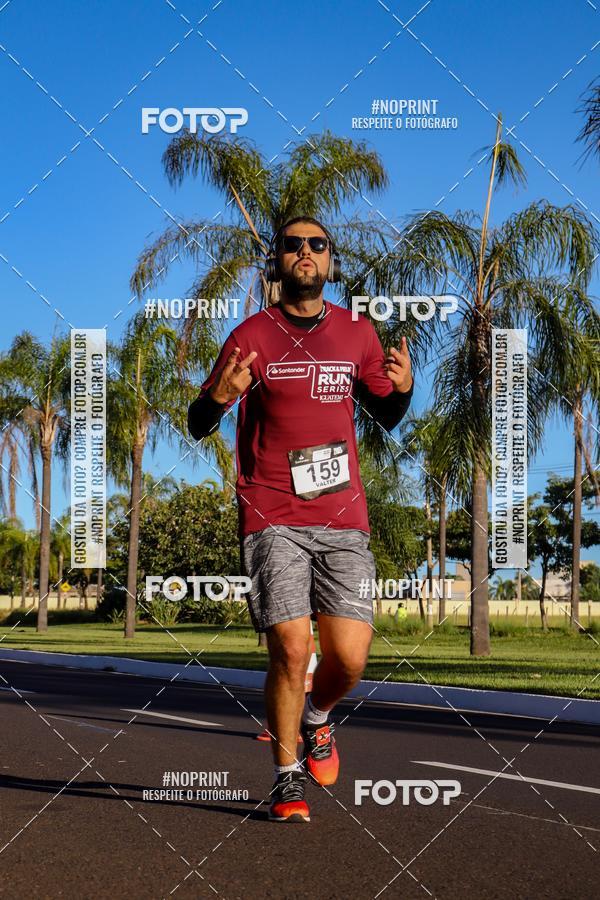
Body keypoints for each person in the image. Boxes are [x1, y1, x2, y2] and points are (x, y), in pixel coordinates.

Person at [188, 216, 413, 823]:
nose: (306, 253)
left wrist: (403, 390)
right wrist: (219, 397)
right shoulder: (250, 334)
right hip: (271, 513)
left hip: (344, 516)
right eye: (294, 245)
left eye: (317, 245)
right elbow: (196, 422)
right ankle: (287, 778)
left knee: (350, 659)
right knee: (291, 649)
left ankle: (317, 717)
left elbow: (386, 416)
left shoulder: (356, 333)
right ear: (278, 261)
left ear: (330, 260)